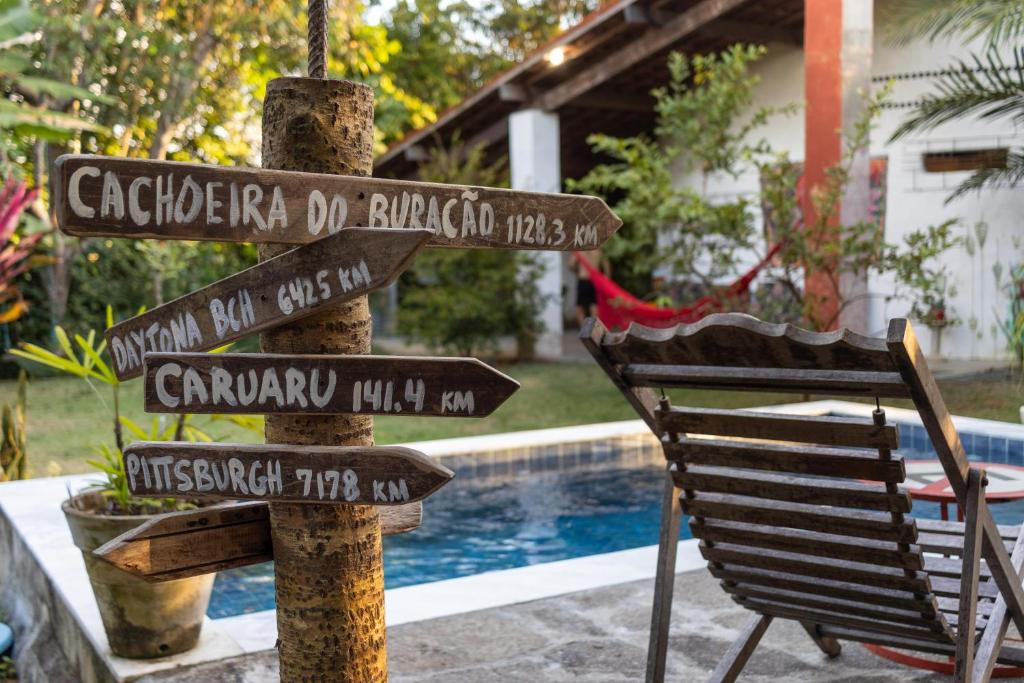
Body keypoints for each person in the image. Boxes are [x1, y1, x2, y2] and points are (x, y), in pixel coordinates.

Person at [572, 249, 608, 327]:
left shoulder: (580, 250)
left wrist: (577, 271)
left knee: (580, 308)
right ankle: (594, 331)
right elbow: (606, 266)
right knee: (594, 306)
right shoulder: (599, 251)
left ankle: (584, 331)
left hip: (583, 280)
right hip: (594, 280)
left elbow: (571, 264)